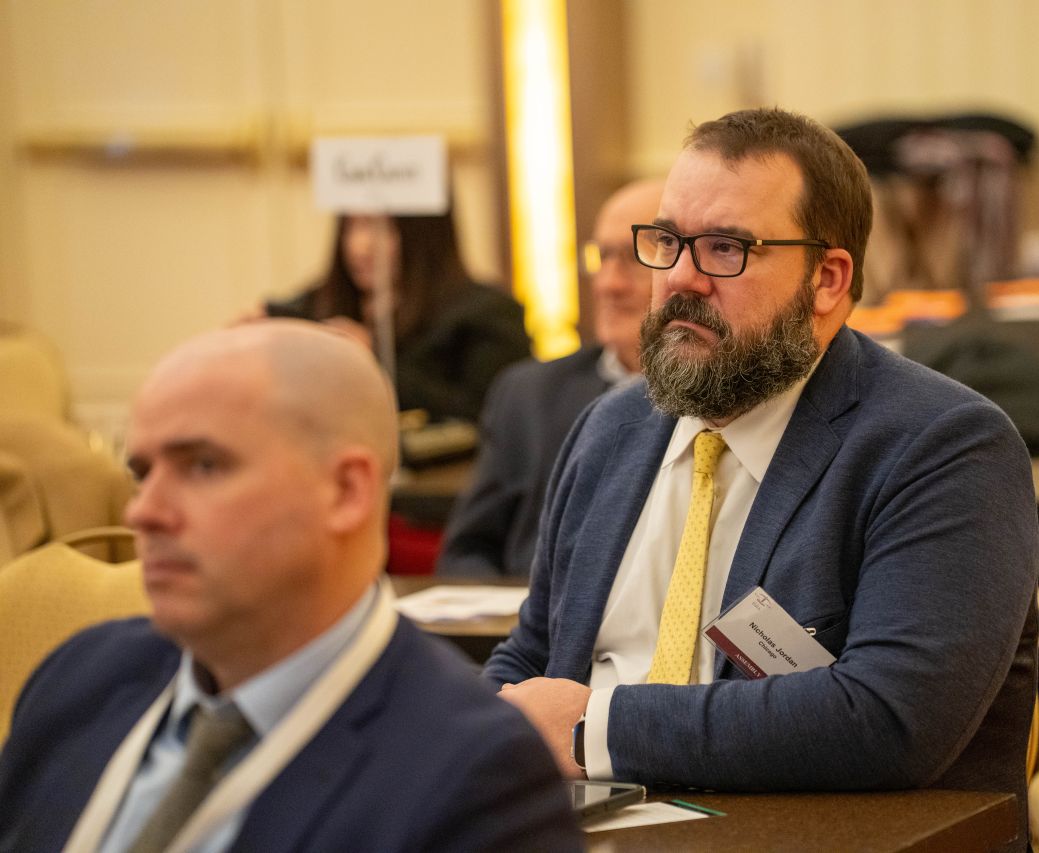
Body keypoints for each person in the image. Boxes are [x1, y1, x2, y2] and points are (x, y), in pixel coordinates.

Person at [486, 108, 1039, 852]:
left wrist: (596, 726)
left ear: (827, 280)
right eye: (667, 241)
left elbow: (888, 719)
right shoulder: (609, 430)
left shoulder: (941, 445)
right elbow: (533, 655)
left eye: (725, 248)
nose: (680, 278)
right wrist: (478, 738)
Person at [0, 321, 580, 852]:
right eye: (142, 474)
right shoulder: (77, 680)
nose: (143, 512)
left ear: (345, 492)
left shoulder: (471, 772)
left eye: (203, 466)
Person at [437, 178, 664, 578]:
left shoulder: (719, 403)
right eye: (602, 257)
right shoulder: (529, 395)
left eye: (634, 258)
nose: (608, 283)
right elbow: (466, 552)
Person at [267, 212, 531, 422]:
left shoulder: (486, 314)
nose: (360, 246)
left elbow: (489, 415)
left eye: (382, 229)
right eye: (351, 227)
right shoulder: (323, 302)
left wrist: (373, 358)